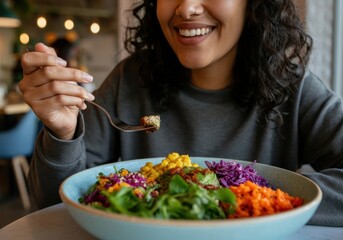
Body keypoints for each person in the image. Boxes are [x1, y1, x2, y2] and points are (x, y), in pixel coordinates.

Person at [19, 0, 343, 226]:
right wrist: (62, 134)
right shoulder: (131, 81)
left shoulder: (293, 87)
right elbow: (54, 208)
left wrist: (258, 200)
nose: (186, 7)